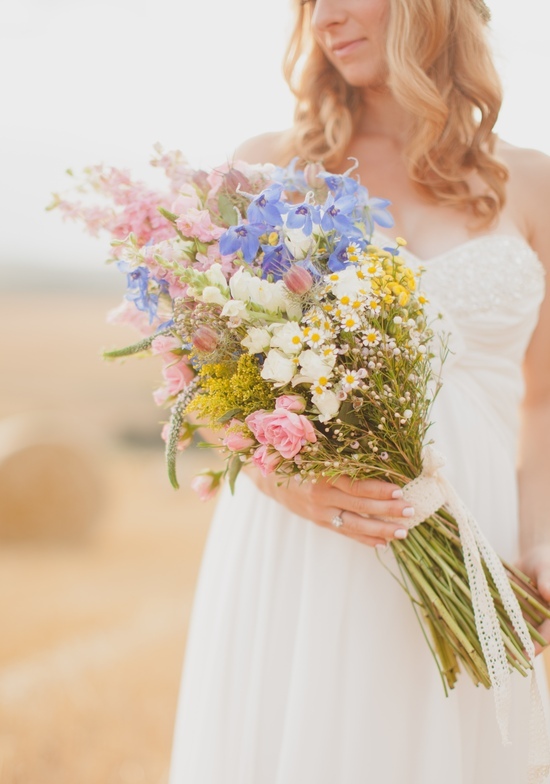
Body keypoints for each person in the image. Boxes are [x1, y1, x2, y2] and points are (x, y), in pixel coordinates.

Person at [169, 1, 550, 781]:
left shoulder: (536, 182)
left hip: (475, 534)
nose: (326, 18)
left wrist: (541, 538)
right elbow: (202, 380)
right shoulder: (268, 170)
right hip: (310, 537)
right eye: (311, 4)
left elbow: (543, 399)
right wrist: (284, 485)